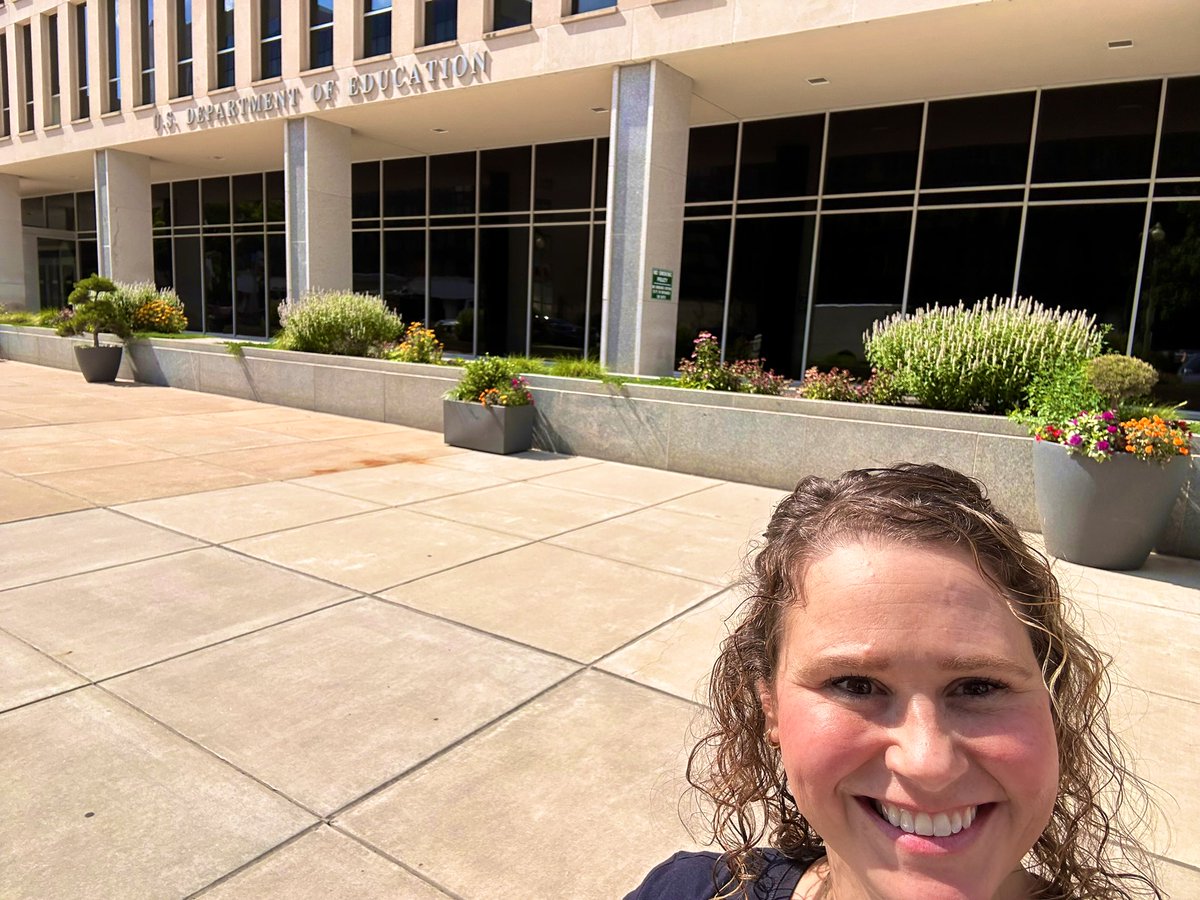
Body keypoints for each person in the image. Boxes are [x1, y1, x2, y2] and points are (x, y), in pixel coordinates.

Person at [626, 463, 1162, 900]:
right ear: (770, 706)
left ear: (1051, 700)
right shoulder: (685, 891)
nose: (928, 763)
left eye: (979, 686)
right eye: (856, 685)